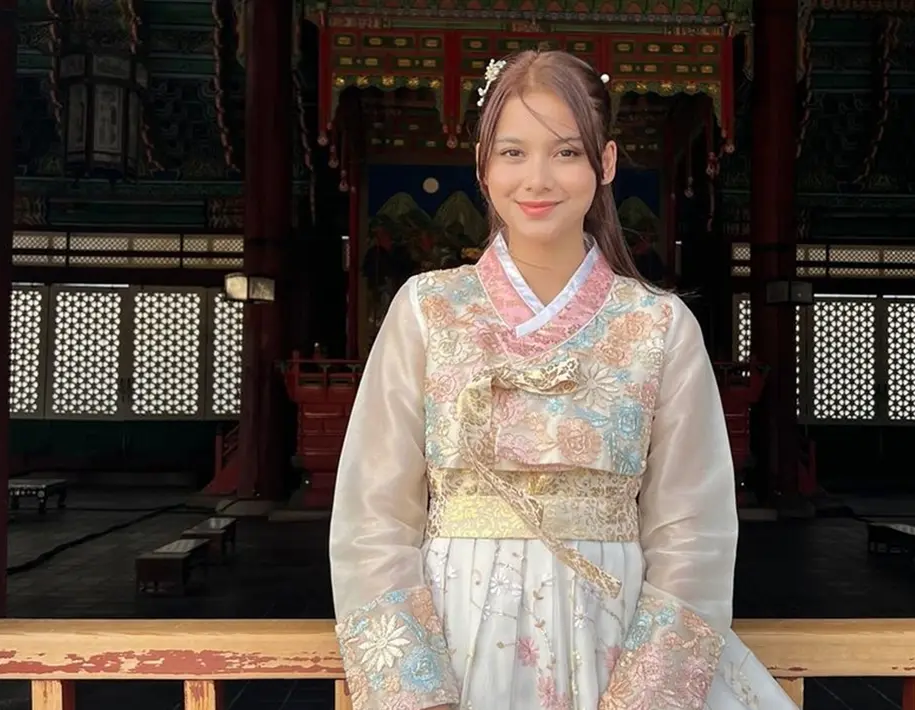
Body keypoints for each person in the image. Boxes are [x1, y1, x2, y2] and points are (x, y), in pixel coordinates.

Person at [329, 49, 799, 710]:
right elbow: (373, 518)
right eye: (512, 153)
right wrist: (412, 688)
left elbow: (693, 528)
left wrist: (649, 693)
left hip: (616, 635)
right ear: (482, 167)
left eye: (566, 152)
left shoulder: (657, 326)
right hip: (455, 642)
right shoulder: (425, 310)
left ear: (604, 163)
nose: (537, 178)